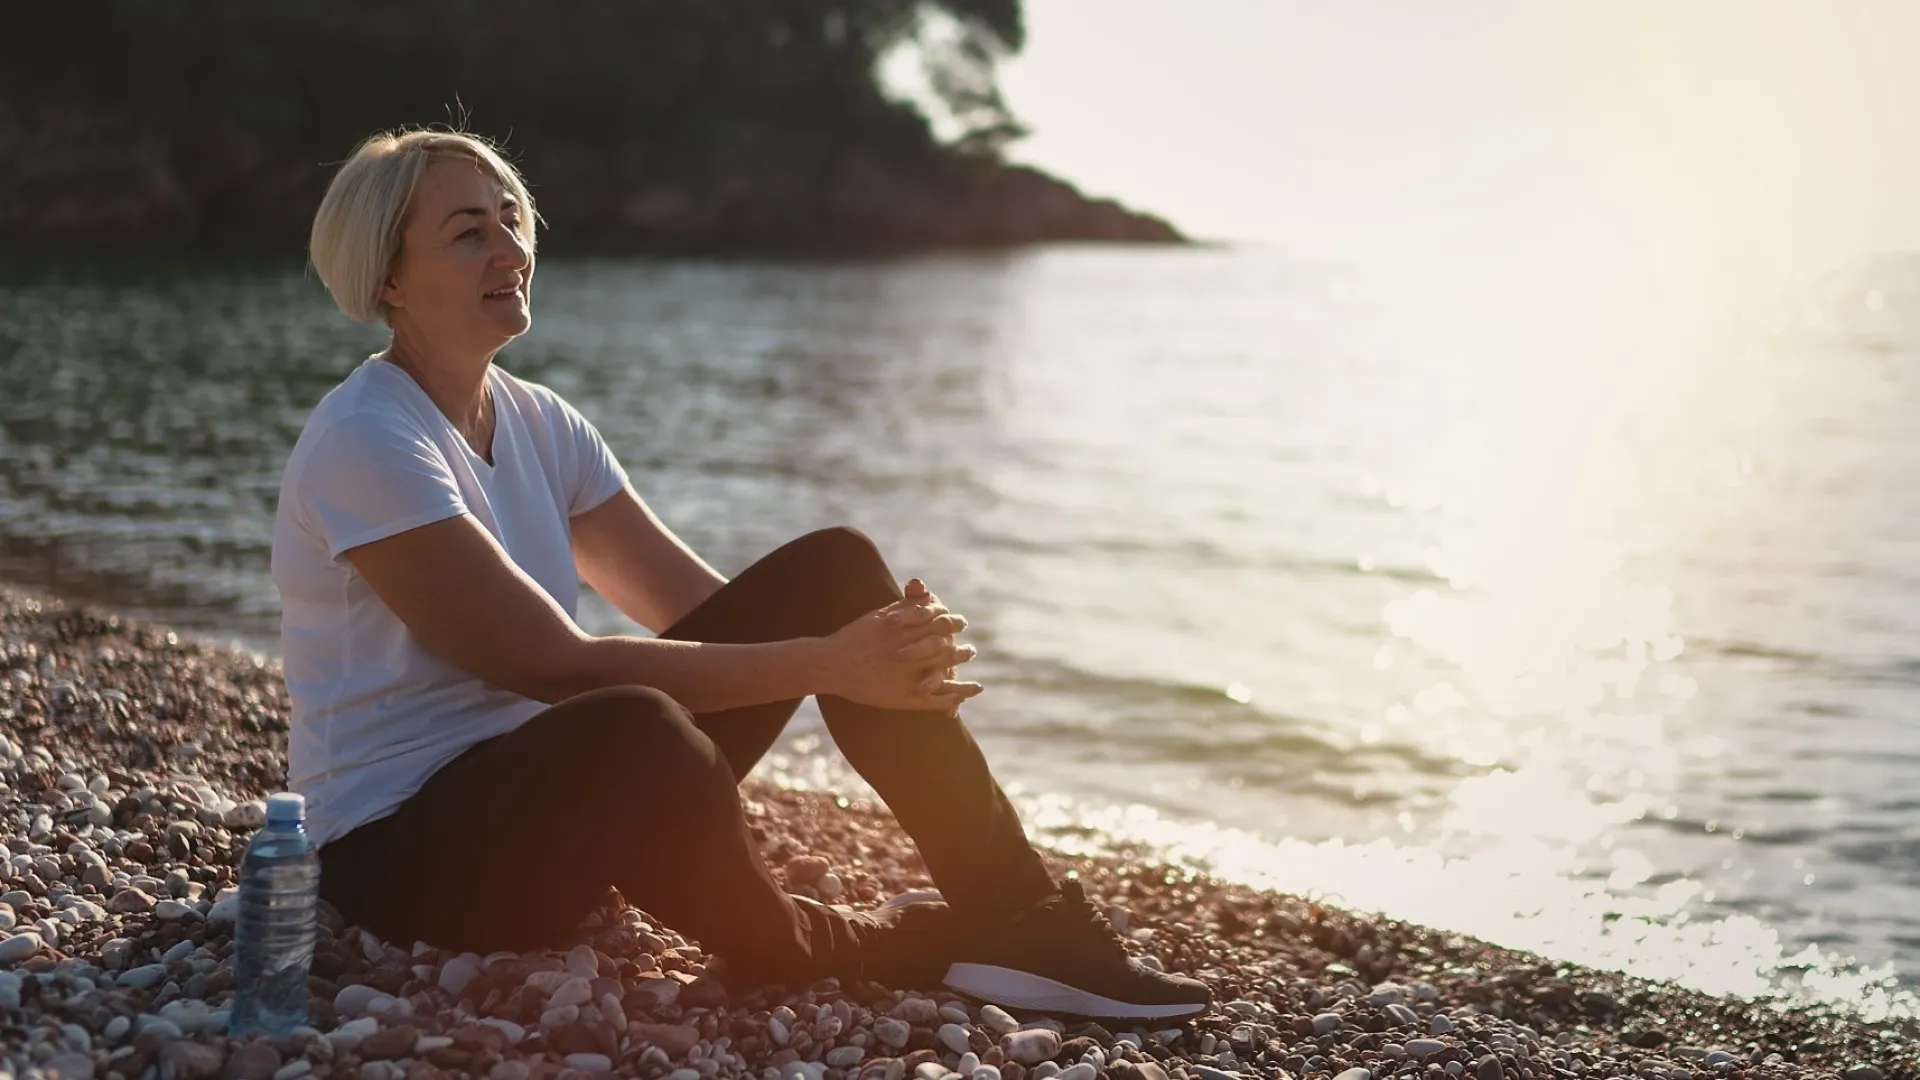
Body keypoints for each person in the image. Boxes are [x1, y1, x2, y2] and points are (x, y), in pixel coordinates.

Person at [271, 126, 1212, 1019]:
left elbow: (701, 612)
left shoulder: (540, 421)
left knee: (836, 571)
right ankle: (829, 945)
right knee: (635, 722)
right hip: (409, 858)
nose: (510, 249)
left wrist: (877, 647)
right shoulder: (371, 438)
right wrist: (827, 664)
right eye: (469, 232)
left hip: (557, 802)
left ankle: (1021, 916)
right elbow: (547, 665)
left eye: (512, 219)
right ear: (389, 276)